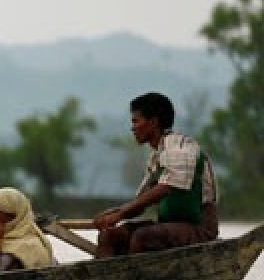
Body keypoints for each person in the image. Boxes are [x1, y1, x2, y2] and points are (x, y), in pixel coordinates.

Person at [93, 92, 219, 257]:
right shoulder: (156, 158)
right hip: (169, 229)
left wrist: (120, 214)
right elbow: (141, 203)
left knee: (143, 237)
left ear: (153, 122)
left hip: (199, 230)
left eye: (136, 121)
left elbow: (166, 187)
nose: (132, 128)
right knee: (109, 236)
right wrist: (113, 214)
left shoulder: (181, 148)